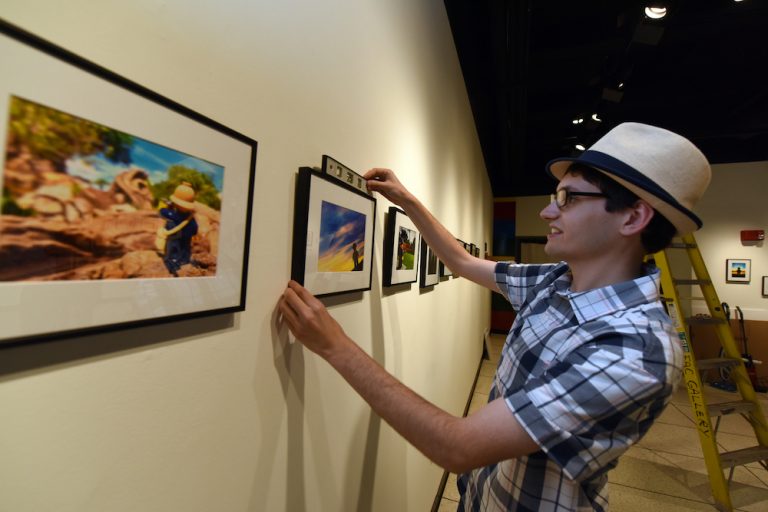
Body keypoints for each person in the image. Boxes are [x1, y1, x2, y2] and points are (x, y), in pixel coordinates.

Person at [278, 122, 711, 511]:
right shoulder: (556, 281)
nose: (548, 212)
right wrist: (406, 200)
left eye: (569, 197)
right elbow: (463, 262)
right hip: (484, 496)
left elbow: (457, 446)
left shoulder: (636, 351)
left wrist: (334, 345)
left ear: (633, 217)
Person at [158, 181, 199, 275]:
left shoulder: (172, 215)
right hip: (186, 238)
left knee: (173, 251)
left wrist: (168, 207)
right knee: (185, 250)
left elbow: (161, 212)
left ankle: (173, 265)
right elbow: (195, 229)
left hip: (174, 238)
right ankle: (185, 261)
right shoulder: (190, 218)